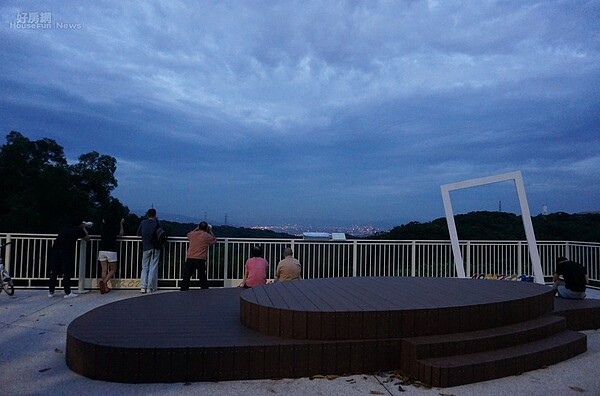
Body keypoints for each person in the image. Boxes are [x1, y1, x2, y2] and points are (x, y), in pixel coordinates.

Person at [48, 219, 90, 299]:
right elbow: (87, 238)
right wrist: (84, 228)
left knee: (54, 271)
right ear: (80, 224)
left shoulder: (65, 229)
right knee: (66, 271)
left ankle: (51, 291)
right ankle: (67, 292)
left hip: (55, 250)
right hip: (66, 251)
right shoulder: (78, 230)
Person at [180, 221, 217, 291]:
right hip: (200, 258)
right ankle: (204, 290)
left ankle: (183, 290)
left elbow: (188, 234)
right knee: (202, 276)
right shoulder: (207, 236)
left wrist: (196, 229)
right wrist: (210, 231)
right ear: (206, 228)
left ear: (199, 227)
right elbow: (214, 240)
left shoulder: (192, 234)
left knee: (186, 276)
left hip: (190, 257)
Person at [97, 216, 124, 294]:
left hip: (102, 250)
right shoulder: (114, 228)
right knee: (113, 269)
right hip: (111, 251)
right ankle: (104, 283)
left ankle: (105, 288)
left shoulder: (102, 228)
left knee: (104, 269)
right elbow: (121, 234)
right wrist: (121, 224)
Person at [137, 208, 161, 293]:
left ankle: (143, 287)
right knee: (153, 268)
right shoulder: (157, 223)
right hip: (155, 248)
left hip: (145, 247)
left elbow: (138, 234)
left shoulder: (143, 223)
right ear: (155, 215)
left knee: (144, 268)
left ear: (147, 214)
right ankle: (150, 287)